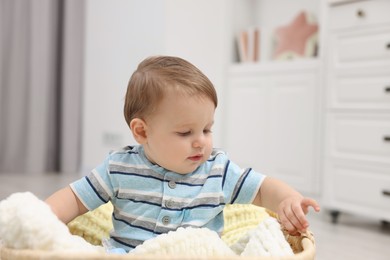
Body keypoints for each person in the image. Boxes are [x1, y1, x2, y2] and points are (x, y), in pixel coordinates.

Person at [46, 55, 320, 252]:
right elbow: (75, 199)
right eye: (185, 133)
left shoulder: (217, 170)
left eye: (207, 129)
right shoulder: (119, 168)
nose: (201, 142)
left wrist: (288, 199)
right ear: (142, 132)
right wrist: (42, 218)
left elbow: (261, 189)